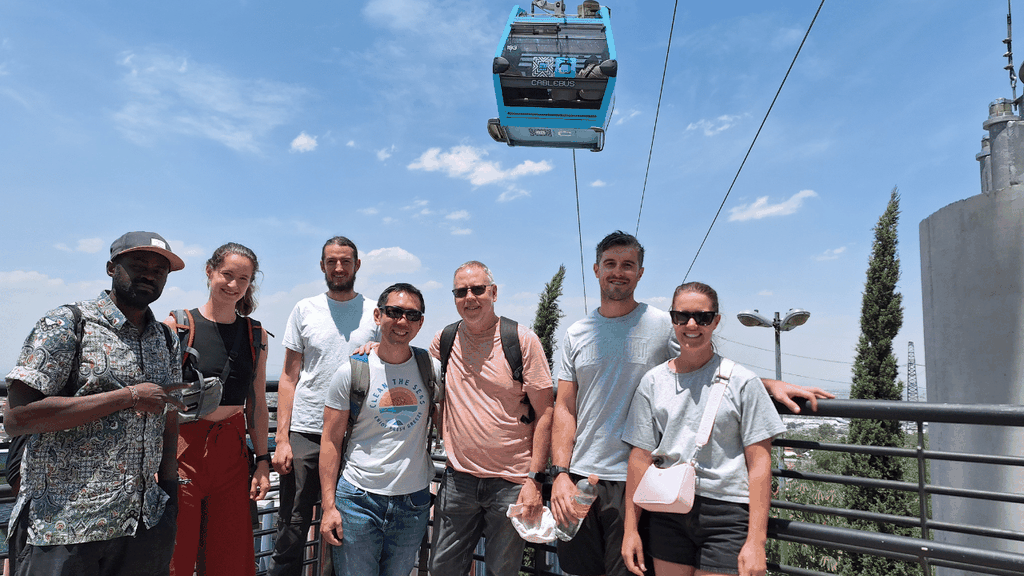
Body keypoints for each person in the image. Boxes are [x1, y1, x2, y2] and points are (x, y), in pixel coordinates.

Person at [550, 230, 833, 576]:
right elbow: (564, 407)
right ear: (596, 270)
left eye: (628, 265)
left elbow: (703, 366)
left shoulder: (663, 323)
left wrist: (767, 384)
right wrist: (560, 473)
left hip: (640, 483)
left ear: (640, 272)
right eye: (610, 264)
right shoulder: (577, 333)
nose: (618, 272)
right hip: (582, 477)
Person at [4, 231, 188, 576]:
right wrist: (128, 396)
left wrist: (169, 492)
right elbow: (17, 419)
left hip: (142, 522)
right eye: (139, 265)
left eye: (159, 271)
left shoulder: (165, 338)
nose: (149, 275)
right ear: (111, 268)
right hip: (63, 526)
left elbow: (168, 418)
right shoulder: (67, 323)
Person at [621, 282, 786, 576]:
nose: (691, 325)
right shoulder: (653, 382)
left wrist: (756, 541)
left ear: (716, 321)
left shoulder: (743, 383)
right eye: (682, 316)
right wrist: (630, 530)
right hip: (667, 508)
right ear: (672, 320)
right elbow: (639, 457)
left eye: (703, 317)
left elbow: (760, 464)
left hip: (727, 515)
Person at [428, 261, 555, 576]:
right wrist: (376, 348)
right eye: (461, 292)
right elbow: (418, 378)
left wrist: (534, 480)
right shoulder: (444, 340)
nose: (469, 297)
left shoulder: (521, 340)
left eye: (477, 289)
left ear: (494, 293)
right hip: (458, 477)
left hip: (511, 482)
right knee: (442, 568)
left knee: (502, 571)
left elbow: (546, 411)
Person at [269, 236, 379, 576]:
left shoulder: (376, 312)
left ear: (357, 265)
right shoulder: (304, 309)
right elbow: (289, 377)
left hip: (354, 434)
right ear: (322, 266)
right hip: (306, 430)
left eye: (345, 261)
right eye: (332, 261)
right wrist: (282, 439)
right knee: (291, 526)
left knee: (344, 527)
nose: (339, 267)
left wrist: (378, 349)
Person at [319, 283, 440, 576]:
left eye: (412, 315)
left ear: (420, 322)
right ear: (378, 315)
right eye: (394, 312)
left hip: (413, 500)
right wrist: (329, 506)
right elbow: (331, 440)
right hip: (357, 500)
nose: (402, 321)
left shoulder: (431, 369)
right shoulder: (351, 371)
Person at [166, 242, 271, 576]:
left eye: (243, 279)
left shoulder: (255, 334)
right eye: (227, 274)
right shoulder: (178, 327)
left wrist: (263, 461)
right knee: (175, 555)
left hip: (232, 452)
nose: (234, 284)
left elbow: (257, 403)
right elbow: (157, 401)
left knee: (230, 558)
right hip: (182, 449)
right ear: (210, 272)